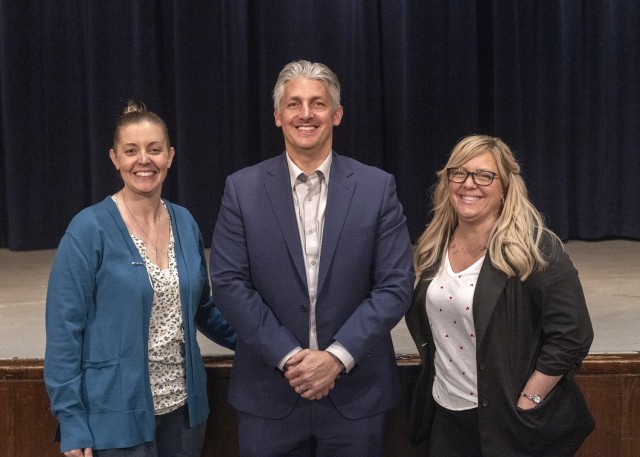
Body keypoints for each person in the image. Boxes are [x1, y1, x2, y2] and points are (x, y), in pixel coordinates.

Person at [209, 59, 414, 457]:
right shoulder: (242, 189)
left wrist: (336, 358)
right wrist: (290, 359)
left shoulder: (376, 187)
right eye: (294, 103)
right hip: (268, 398)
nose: (306, 114)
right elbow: (230, 284)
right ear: (277, 115)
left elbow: (395, 285)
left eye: (318, 104)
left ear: (336, 115)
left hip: (356, 398)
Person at [44, 101, 236, 457]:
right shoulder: (88, 229)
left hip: (184, 415)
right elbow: (63, 334)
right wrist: (71, 421)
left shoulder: (185, 221)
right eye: (131, 151)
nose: (143, 160)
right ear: (115, 158)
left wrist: (271, 344)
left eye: (154, 150)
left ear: (170, 156)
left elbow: (203, 309)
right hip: (114, 418)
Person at [405, 135, 594, 456]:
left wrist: (530, 399)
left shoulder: (534, 248)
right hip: (447, 414)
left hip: (509, 422)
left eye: (484, 175)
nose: (469, 184)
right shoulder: (435, 245)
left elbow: (572, 335)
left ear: (506, 187)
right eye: (459, 173)